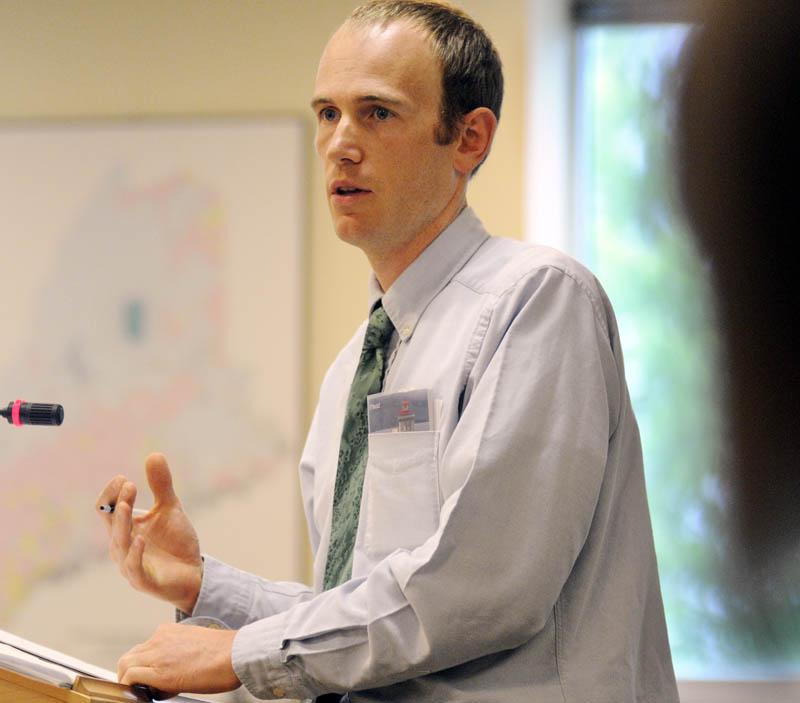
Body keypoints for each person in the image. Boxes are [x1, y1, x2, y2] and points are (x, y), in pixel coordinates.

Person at [98, 2, 678, 700]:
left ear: (469, 139)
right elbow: (368, 621)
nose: (339, 143)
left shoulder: (539, 301)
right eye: (326, 113)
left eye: (376, 112)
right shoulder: (353, 370)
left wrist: (241, 654)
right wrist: (206, 583)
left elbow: (476, 587)